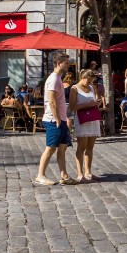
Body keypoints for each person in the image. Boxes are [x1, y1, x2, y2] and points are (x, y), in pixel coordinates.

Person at [35, 53, 76, 186]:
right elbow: (51, 101)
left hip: (61, 119)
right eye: (66, 62)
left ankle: (64, 176)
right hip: (54, 120)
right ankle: (40, 175)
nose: (68, 65)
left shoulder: (58, 78)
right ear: (59, 62)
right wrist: (58, 119)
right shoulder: (53, 79)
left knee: (62, 148)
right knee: (50, 148)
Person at [71, 69, 103, 183]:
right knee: (81, 147)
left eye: (92, 81)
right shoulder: (74, 89)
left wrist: (97, 102)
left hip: (92, 120)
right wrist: (87, 104)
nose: (90, 83)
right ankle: (80, 173)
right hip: (82, 120)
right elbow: (72, 107)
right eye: (89, 81)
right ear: (83, 78)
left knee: (90, 147)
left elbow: (94, 101)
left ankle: (88, 172)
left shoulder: (90, 88)